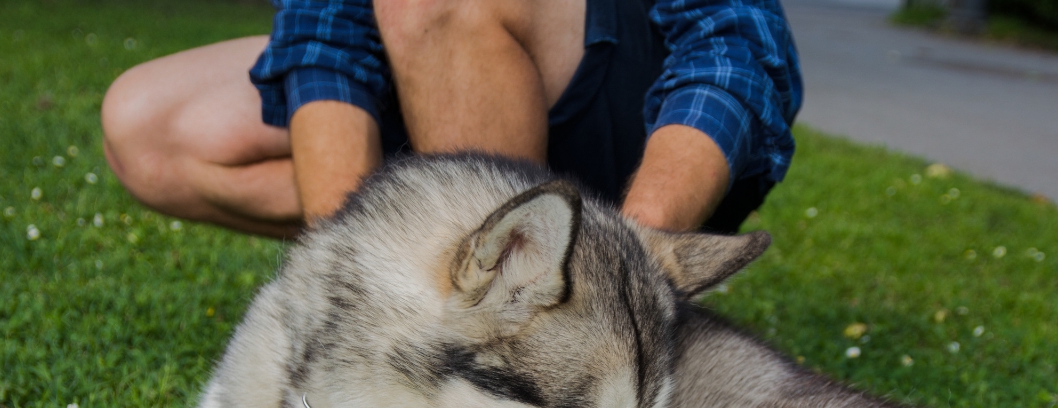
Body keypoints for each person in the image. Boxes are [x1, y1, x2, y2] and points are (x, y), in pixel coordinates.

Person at [100, 0, 802, 238]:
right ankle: (433, 281)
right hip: (443, 76)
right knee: (150, 127)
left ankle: (544, 310)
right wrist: (343, 265)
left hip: (642, 125)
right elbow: (324, 36)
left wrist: (638, 244)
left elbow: (737, 47)